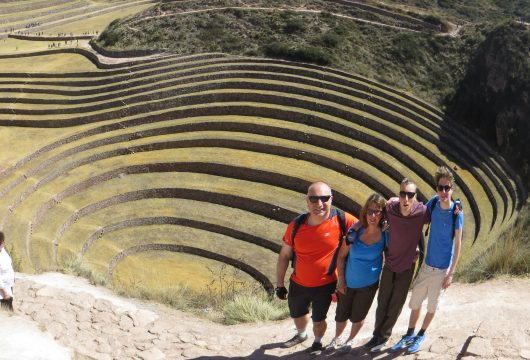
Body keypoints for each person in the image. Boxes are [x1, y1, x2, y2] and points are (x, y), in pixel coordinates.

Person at [275, 182, 357, 355]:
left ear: (331, 199)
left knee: (318, 320)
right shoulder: (296, 225)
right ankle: (302, 334)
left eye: (324, 198)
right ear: (307, 201)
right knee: (297, 314)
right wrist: (280, 284)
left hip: (325, 285)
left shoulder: (342, 220)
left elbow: (367, 226)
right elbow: (284, 255)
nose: (319, 204)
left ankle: (318, 342)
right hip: (298, 282)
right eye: (314, 199)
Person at [390, 166, 463, 354]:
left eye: (447, 188)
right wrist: (394, 201)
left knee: (432, 306)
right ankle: (409, 333)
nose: (444, 192)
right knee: (415, 302)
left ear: (452, 189)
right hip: (426, 265)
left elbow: (458, 245)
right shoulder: (432, 204)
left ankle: (421, 334)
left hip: (442, 269)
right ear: (436, 188)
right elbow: (413, 210)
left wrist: (451, 273)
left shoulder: (457, 213)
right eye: (441, 188)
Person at [363, 178, 430, 352]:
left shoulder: (422, 212)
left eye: (410, 194)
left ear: (415, 196)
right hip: (390, 263)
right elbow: (378, 211)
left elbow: (438, 212)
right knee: (382, 301)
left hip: (407, 266)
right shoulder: (391, 209)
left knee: (396, 304)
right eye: (403, 194)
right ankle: (376, 336)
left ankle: (383, 337)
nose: (406, 198)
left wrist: (456, 212)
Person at [327, 193, 388, 353]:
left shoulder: (385, 233)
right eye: (370, 211)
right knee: (341, 315)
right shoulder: (355, 230)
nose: (373, 215)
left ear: (382, 214)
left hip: (369, 285)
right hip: (349, 281)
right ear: (365, 211)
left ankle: (350, 340)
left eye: (377, 211)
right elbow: (341, 256)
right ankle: (337, 338)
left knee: (358, 316)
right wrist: (341, 279)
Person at [0, 231, 15, 311]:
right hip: (4, 291)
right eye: (3, 241)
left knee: (9, 307)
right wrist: (5, 292)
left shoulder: (2, 251)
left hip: (9, 286)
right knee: (7, 311)